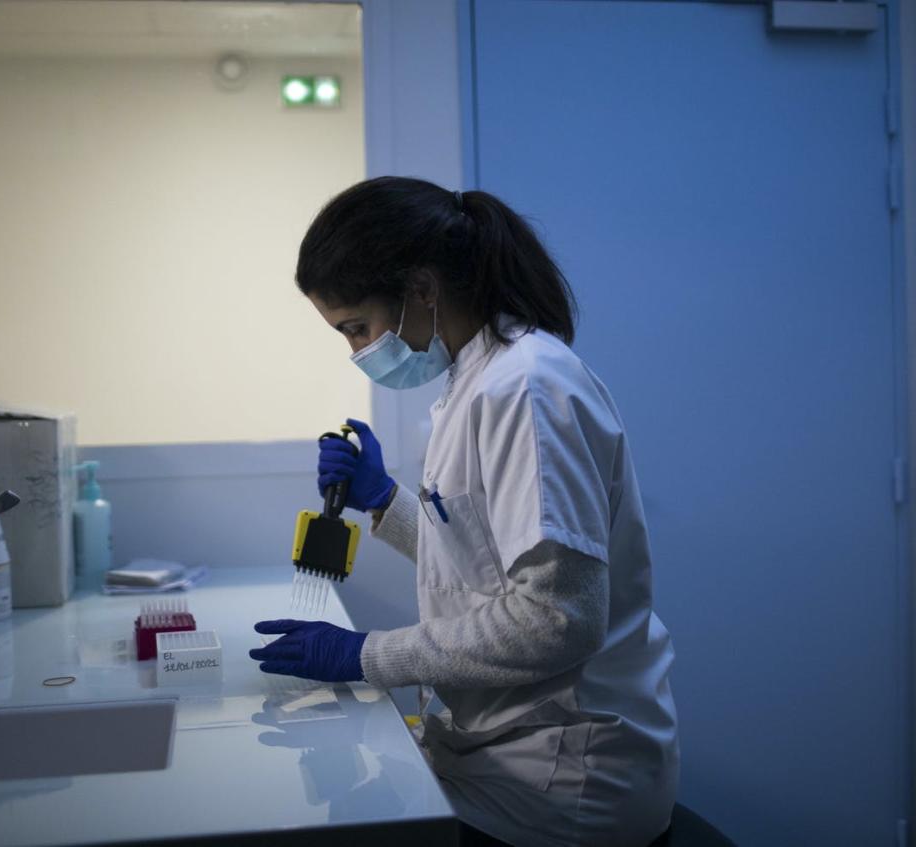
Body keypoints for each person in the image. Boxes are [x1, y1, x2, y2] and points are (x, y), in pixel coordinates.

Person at [249, 176, 679, 847]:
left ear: (421, 288)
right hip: (503, 752)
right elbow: (490, 571)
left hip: (559, 782)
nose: (357, 351)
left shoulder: (524, 388)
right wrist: (383, 500)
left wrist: (369, 654)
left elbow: (556, 619)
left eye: (357, 327)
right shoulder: (478, 381)